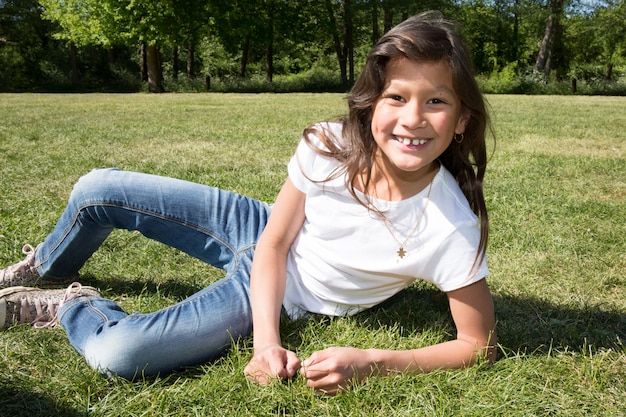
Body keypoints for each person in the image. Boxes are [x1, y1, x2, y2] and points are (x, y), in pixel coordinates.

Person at [0, 11, 496, 395]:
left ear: (461, 120)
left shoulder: (450, 226)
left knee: (120, 352)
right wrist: (265, 343)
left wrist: (373, 361)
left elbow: (477, 345)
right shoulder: (330, 144)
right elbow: (275, 241)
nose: (412, 118)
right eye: (396, 97)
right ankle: (44, 266)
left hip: (291, 293)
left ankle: (74, 304)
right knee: (97, 188)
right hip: (261, 231)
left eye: (435, 101)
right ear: (371, 104)